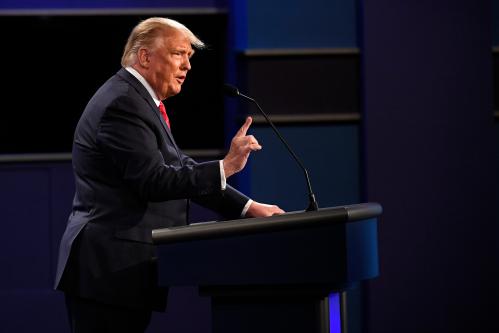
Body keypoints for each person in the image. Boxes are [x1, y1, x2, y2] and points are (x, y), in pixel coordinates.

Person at [55, 17, 284, 333]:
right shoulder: (123, 104)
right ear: (146, 57)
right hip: (107, 273)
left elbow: (180, 168)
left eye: (189, 57)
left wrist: (248, 208)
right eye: (179, 54)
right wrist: (226, 167)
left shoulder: (139, 101)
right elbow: (154, 180)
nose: (188, 66)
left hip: (117, 274)